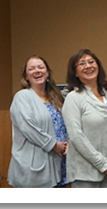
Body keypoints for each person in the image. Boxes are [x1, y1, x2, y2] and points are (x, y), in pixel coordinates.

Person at [62, 49, 107, 188]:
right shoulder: (74, 98)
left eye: (91, 62)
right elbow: (76, 136)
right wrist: (102, 163)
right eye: (82, 64)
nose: (88, 66)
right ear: (75, 73)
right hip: (85, 173)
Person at [8, 56, 68, 188]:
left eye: (41, 67)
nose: (37, 71)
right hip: (35, 168)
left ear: (47, 73)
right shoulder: (22, 97)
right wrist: (53, 145)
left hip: (59, 165)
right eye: (31, 68)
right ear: (26, 76)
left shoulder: (57, 97)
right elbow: (28, 128)